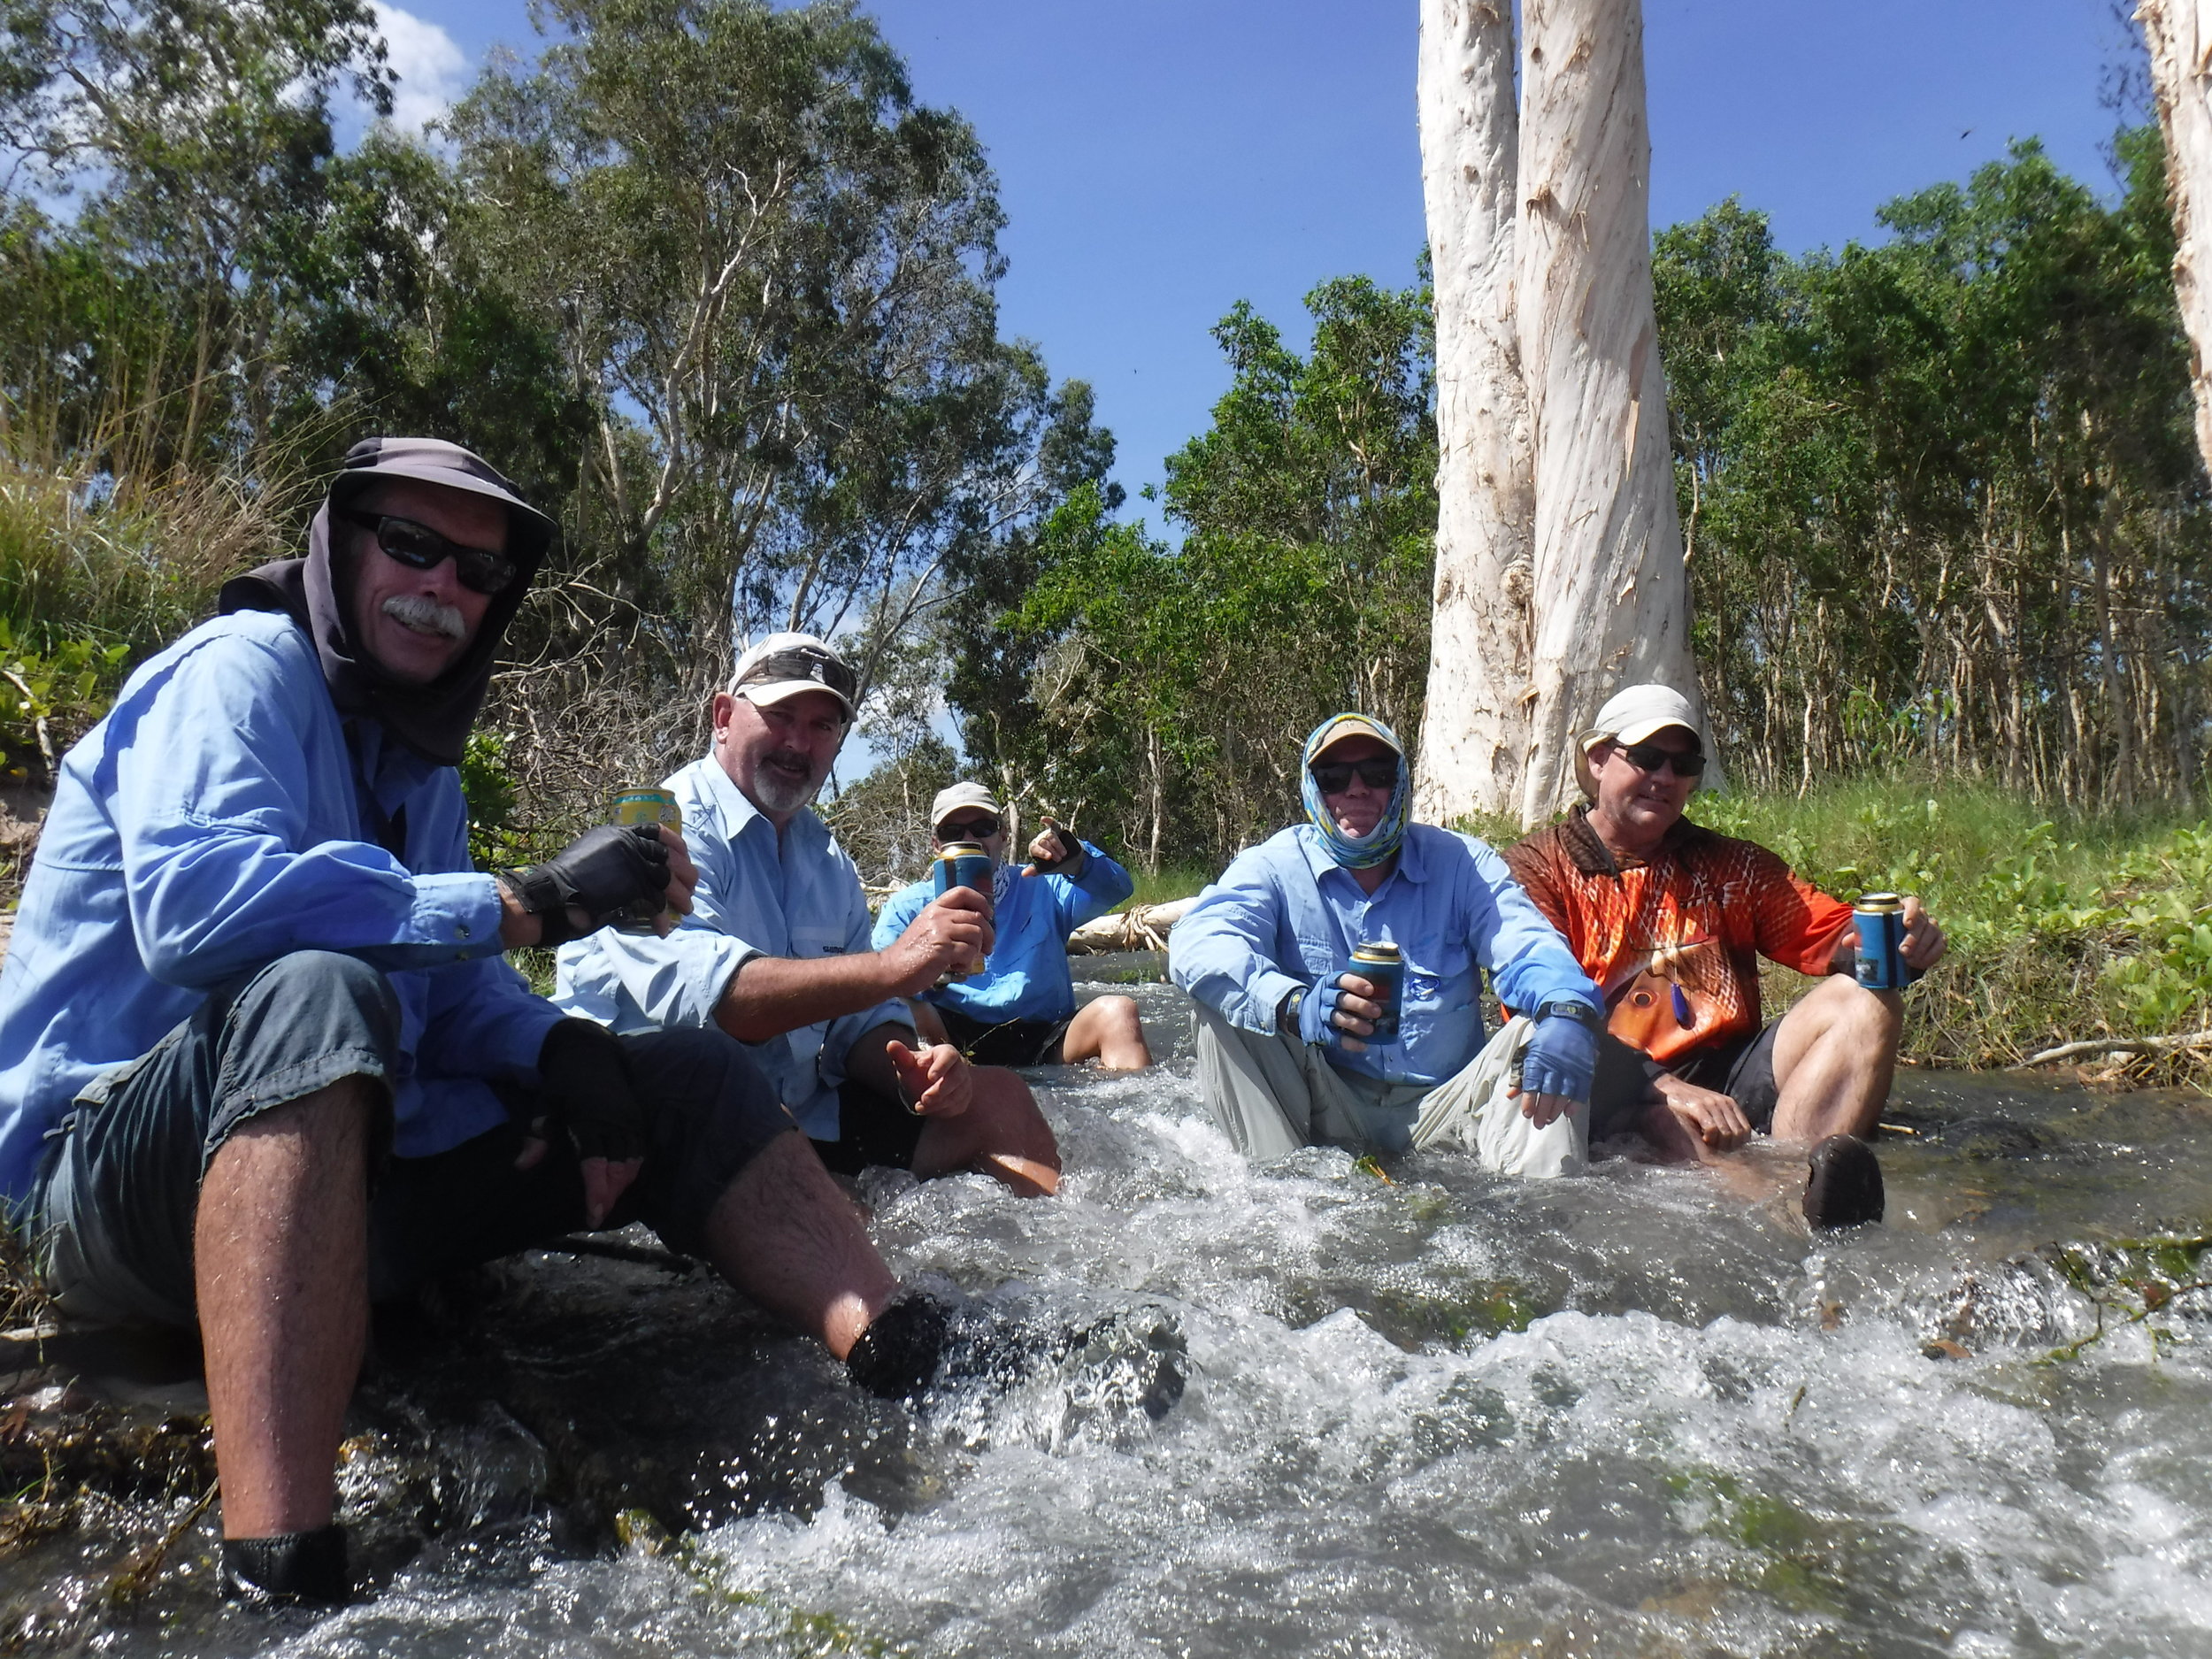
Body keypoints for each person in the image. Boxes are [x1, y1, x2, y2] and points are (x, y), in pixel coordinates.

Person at [0, 440, 972, 1609]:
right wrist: (534, 899)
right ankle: (283, 1573)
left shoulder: (424, 769)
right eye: (411, 546)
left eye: (475, 570)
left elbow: (453, 991)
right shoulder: (242, 669)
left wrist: (560, 1048)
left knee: (689, 1073)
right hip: (108, 1179)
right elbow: (200, 909)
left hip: (347, 1168)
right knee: (320, 983)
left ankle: (919, 1357)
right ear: (342, 546)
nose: (442, 586)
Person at [555, 634, 1063, 1196]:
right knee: (827, 1203)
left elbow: (859, 1023)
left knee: (1003, 1100)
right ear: (723, 716)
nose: (799, 742)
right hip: (661, 1109)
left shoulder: (826, 859)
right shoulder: (667, 832)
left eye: (822, 726)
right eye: (780, 715)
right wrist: (896, 964)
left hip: (795, 1107)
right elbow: (719, 1005)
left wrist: (910, 1069)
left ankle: (1063, 1274)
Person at [1500, 682, 1947, 1230]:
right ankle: (1790, 1216)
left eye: (1682, 763)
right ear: (1598, 759)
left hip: (1729, 1072)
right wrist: (1660, 1086)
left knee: (1869, 998)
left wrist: (1905, 945)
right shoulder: (1536, 869)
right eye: (1646, 758)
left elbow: (1837, 941)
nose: (1665, 777)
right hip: (1608, 1079)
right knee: (1669, 1122)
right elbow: (1541, 1012)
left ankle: (1817, 1176)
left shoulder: (1733, 865)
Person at [1168, 713, 1605, 1160]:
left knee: (1547, 1027)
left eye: (1376, 773)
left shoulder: (1462, 863)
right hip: (1323, 1101)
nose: (1356, 789)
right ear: (1312, 788)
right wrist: (1294, 1006)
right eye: (1334, 777)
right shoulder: (1274, 865)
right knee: (1223, 1010)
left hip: (1449, 1104)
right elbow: (1199, 942)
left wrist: (1569, 1010)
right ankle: (1281, 1199)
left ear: (1400, 783)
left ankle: (1536, 1213)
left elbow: (1525, 943)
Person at [872, 784, 1151, 1071]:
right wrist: (926, 972)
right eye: (953, 832)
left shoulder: (1044, 884)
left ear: (1003, 835)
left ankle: (1135, 1111)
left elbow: (1117, 888)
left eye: (983, 828)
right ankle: (935, 1095)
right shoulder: (907, 907)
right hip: (950, 1041)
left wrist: (1078, 861)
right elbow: (878, 984)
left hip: (1045, 1036)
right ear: (936, 845)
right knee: (903, 1008)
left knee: (1119, 1012)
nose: (970, 839)